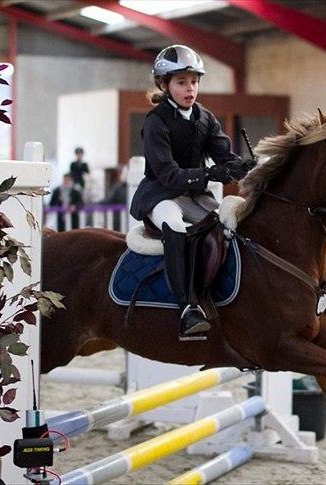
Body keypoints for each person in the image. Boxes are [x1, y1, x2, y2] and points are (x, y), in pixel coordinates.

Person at [130, 44, 247, 341]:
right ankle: (187, 308)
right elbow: (168, 175)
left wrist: (245, 167)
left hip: (195, 195)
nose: (190, 88)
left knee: (227, 229)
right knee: (175, 226)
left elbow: (224, 156)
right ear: (165, 85)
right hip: (161, 194)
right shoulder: (156, 121)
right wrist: (209, 174)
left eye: (194, 82)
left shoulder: (205, 117)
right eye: (182, 82)